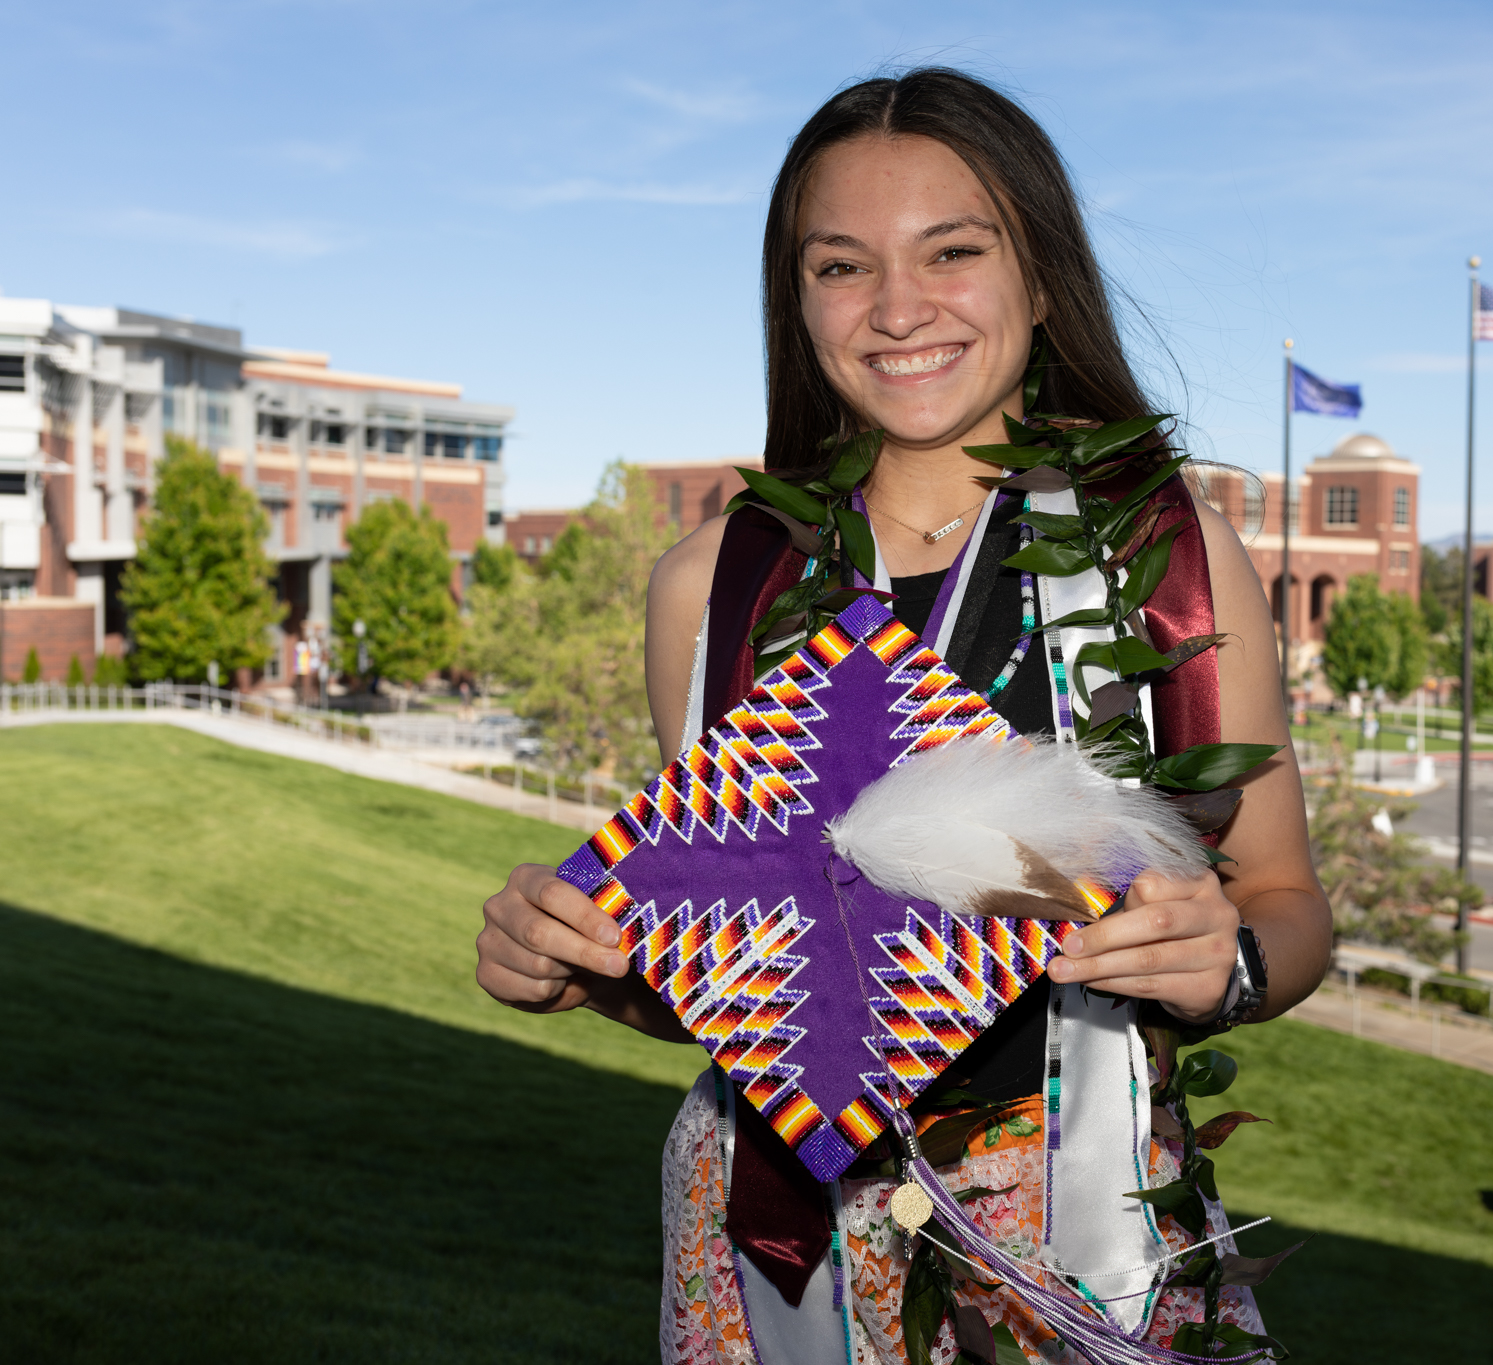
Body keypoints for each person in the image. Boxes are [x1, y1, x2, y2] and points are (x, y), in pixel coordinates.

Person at [474, 68, 1330, 1364]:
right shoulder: (716, 583)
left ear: (1040, 274)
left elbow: (1283, 896)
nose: (897, 308)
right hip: (783, 1236)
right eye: (840, 265)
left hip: (1079, 1236)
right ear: (796, 296)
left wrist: (1234, 964)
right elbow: (734, 970)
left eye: (952, 251)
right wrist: (582, 968)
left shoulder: (1166, 555)